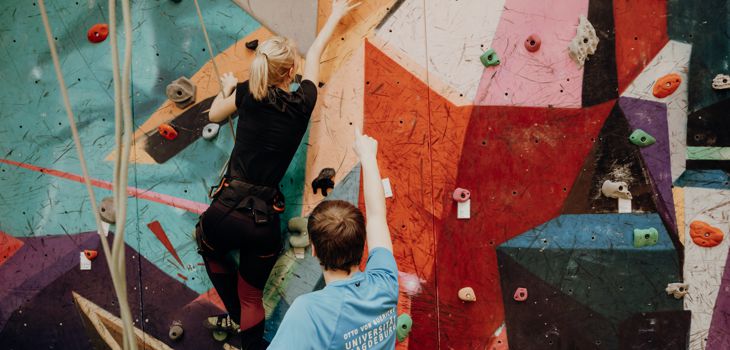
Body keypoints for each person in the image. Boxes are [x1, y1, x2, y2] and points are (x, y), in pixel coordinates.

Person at [195, 1, 360, 348]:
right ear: (290, 74)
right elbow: (315, 52)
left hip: (226, 209)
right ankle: (249, 337)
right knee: (253, 297)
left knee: (210, 250)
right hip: (263, 223)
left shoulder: (246, 95)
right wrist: (334, 16)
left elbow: (212, 115)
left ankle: (237, 318)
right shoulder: (303, 104)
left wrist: (227, 87)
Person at [269, 129, 399, 349]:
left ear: (315, 251)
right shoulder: (385, 282)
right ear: (362, 242)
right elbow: (377, 216)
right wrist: (368, 157)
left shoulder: (308, 312)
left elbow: (377, 217)